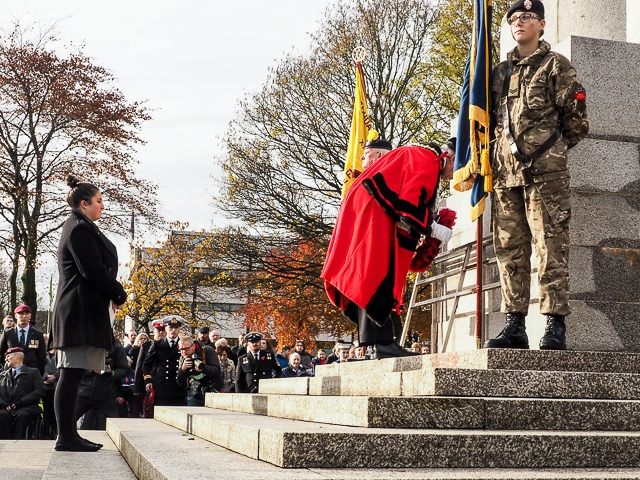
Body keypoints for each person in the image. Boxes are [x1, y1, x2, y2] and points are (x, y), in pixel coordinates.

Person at [484, 0, 588, 351]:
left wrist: (549, 153)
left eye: (527, 17)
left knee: (550, 248)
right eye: (514, 18)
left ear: (541, 24)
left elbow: (576, 122)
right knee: (510, 250)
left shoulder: (555, 66)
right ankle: (515, 324)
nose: (519, 22)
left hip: (546, 178)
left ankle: (553, 323)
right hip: (505, 177)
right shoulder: (498, 73)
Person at [322, 143, 455, 359]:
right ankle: (382, 343)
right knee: (377, 275)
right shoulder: (428, 160)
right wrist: (433, 228)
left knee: (368, 275)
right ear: (450, 157)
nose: (452, 177)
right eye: (456, 169)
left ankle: (375, 343)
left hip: (369, 211)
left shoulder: (417, 154)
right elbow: (409, 203)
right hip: (375, 216)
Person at [48, 175, 127, 452]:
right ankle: (66, 436)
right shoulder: (79, 229)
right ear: (84, 204)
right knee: (70, 374)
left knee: (74, 373)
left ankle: (69, 435)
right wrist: (118, 293)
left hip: (82, 312)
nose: (102, 206)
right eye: (99, 201)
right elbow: (91, 269)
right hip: (78, 313)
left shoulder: (81, 226)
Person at [75, 334, 130, 430]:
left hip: (107, 394)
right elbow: (74, 366)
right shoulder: (83, 341)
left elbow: (124, 369)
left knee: (112, 427)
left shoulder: (116, 345)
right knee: (73, 421)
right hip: (84, 392)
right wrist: (91, 369)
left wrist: (111, 373)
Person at [0, 347, 45, 439]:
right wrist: (3, 404)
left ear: (17, 356)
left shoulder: (33, 372)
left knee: (23, 416)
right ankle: (6, 442)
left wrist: (21, 402)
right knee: (2, 415)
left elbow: (40, 390)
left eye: (8, 356)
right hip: (7, 408)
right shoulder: (2, 375)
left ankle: (18, 442)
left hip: (26, 407)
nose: (5, 359)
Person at [142, 315, 188, 408]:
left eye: (176, 328)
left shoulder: (184, 344)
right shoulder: (157, 344)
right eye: (171, 327)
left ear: (179, 329)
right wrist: (148, 380)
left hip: (178, 387)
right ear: (166, 328)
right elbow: (146, 365)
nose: (173, 330)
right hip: (161, 387)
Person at [0, 305, 47, 375]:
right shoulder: (7, 334)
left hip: (31, 373)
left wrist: (38, 372)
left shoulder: (38, 335)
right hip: (11, 373)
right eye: (21, 314)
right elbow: (1, 354)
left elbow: (42, 356)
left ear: (30, 316)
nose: (24, 316)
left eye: (26, 314)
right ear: (15, 316)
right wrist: (8, 367)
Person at [176, 336, 222, 406]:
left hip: (213, 391)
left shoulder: (207, 350)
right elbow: (180, 383)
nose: (184, 352)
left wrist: (204, 368)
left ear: (193, 346)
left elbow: (216, 370)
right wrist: (182, 370)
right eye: (181, 349)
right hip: (196, 394)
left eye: (186, 349)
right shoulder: (182, 359)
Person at [42, 337, 59, 439]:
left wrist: (55, 376)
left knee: (55, 409)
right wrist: (46, 376)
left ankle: (54, 430)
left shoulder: (59, 354)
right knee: (47, 409)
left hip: (57, 385)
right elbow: (38, 367)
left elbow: (62, 367)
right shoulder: (41, 354)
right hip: (45, 385)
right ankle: (45, 431)